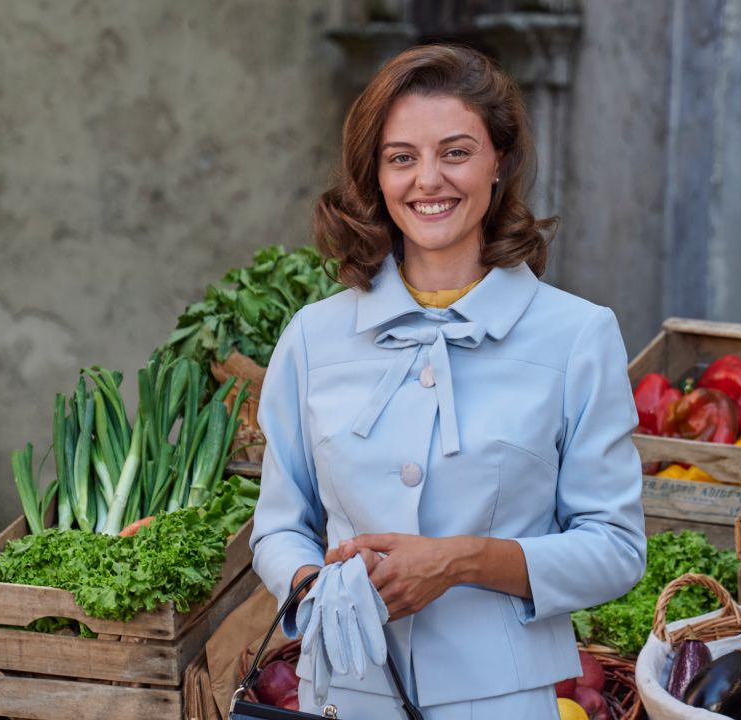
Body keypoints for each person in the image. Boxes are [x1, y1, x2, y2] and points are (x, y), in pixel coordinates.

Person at [249, 44, 647, 718]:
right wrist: (316, 586)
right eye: (401, 157)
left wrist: (462, 561)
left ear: (500, 162)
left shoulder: (576, 336)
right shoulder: (313, 338)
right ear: (376, 175)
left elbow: (615, 549)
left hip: (502, 700)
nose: (427, 180)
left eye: (456, 152)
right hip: (342, 694)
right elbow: (279, 526)